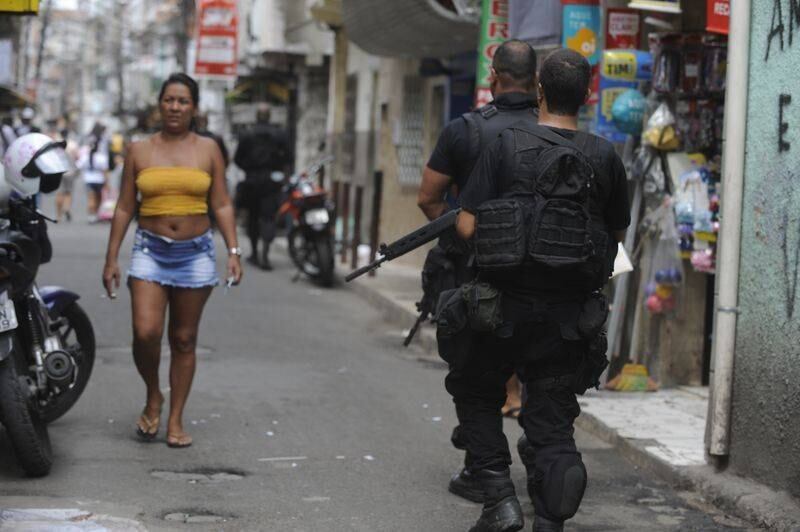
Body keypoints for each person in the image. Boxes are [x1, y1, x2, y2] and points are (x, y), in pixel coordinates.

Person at [450, 49, 630, 531]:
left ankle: (499, 500)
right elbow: (614, 237)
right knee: (552, 427)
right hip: (569, 320)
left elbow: (467, 226)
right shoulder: (605, 156)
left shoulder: (506, 143)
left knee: (474, 392)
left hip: (500, 309)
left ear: (540, 92)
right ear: (587, 96)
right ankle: (550, 519)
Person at [417, 39, 539, 504]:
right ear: (535, 80)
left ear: (493, 76)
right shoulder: (556, 130)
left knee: (474, 374)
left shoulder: (465, 131)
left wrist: (462, 241)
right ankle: (545, 466)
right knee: (539, 375)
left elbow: (429, 198)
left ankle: (485, 471)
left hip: (478, 277)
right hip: (547, 279)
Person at [102, 73, 243, 449]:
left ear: (194, 108)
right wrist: (112, 257)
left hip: (196, 253)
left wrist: (232, 251)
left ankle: (176, 419)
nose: (175, 107)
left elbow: (222, 203)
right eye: (169, 100)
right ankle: (153, 393)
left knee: (183, 338)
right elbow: (124, 206)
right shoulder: (139, 150)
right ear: (159, 104)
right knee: (146, 333)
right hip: (150, 250)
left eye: (183, 101)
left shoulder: (209, 149)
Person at [233, 103, 291, 270]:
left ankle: (255, 253)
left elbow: (237, 159)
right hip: (271, 182)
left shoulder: (247, 134)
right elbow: (288, 157)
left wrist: (249, 169)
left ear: (257, 116)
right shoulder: (279, 134)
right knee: (268, 217)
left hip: (252, 181)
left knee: (253, 217)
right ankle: (264, 253)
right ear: (269, 116)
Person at [79, 123, 110, 223]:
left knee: (91, 198)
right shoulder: (101, 157)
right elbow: (105, 170)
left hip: (88, 179)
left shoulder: (86, 156)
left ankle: (91, 215)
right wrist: (107, 182)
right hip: (99, 179)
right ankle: (96, 214)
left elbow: (79, 165)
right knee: (98, 197)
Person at [55, 128, 79, 222]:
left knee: (59, 193)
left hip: (59, 171)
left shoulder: (55, 144)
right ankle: (67, 208)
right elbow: (77, 157)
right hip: (70, 171)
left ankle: (58, 215)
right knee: (68, 192)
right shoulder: (73, 144)